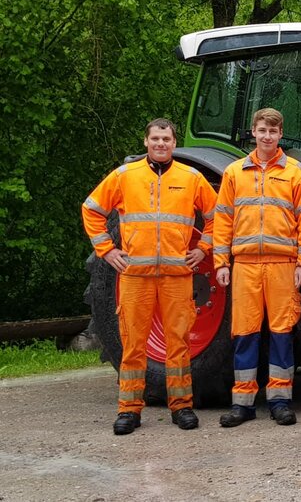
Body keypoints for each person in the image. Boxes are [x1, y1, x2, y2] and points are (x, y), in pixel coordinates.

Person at [82, 118, 217, 435]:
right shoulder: (125, 176)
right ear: (146, 142)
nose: (160, 144)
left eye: (166, 139)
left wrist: (203, 249)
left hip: (176, 275)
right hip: (135, 275)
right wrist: (107, 250)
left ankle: (182, 406)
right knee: (133, 343)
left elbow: (217, 216)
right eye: (155, 138)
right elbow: (91, 209)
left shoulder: (192, 177)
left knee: (178, 343)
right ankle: (129, 410)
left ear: (174, 143)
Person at [213, 107, 301, 428]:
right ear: (253, 132)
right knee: (245, 332)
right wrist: (221, 261)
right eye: (262, 130)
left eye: (273, 131)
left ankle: (280, 400)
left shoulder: (296, 173)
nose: (267, 136)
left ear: (281, 134)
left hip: (283, 264)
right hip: (245, 266)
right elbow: (223, 220)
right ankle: (243, 402)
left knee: (282, 332)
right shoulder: (234, 173)